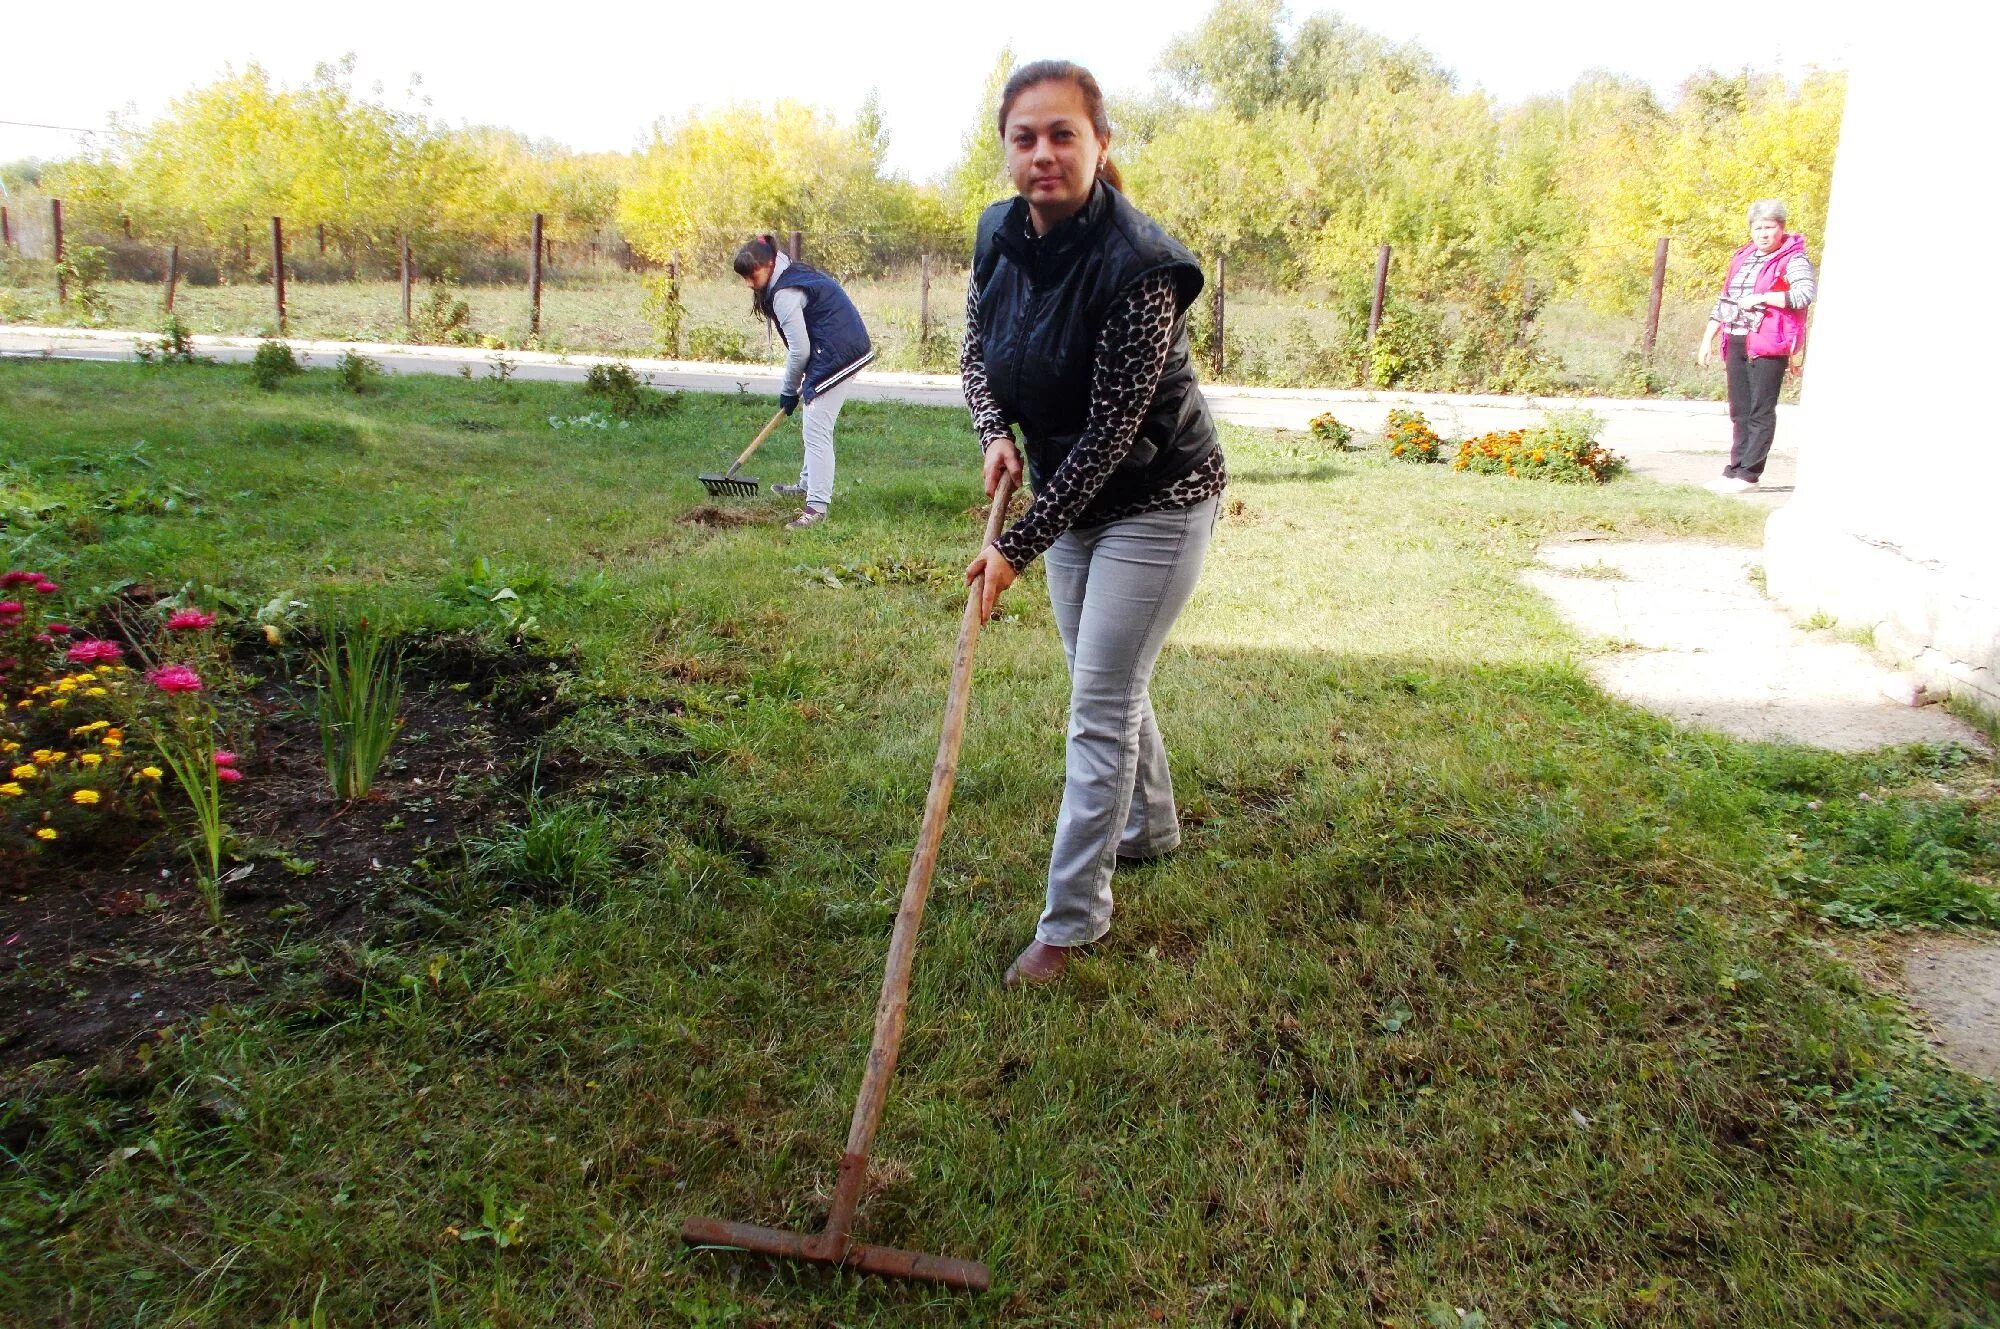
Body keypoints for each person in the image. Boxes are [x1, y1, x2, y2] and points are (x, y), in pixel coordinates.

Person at [959, 60, 1228, 989]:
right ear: (1006, 148)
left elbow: (1112, 440)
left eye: (1063, 134)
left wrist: (1011, 549)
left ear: (1099, 144)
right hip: (1073, 492)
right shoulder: (998, 234)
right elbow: (975, 349)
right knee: (1101, 674)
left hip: (1156, 497)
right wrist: (996, 431)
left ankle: (1069, 928)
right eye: (1026, 136)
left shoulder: (1140, 265)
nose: (1044, 154)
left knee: (1098, 704)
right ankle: (1149, 824)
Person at [732, 235, 875, 529]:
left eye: (752, 275)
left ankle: (816, 508)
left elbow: (800, 350)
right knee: (813, 419)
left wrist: (788, 390)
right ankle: (807, 484)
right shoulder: (787, 273)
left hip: (838, 351)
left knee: (817, 427)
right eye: (744, 277)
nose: (748, 283)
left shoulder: (784, 294)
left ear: (769, 264)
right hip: (833, 346)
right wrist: (802, 384)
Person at [1696, 199, 1817, 494]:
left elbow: (1804, 295)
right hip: (1736, 337)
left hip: (1768, 343)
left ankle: (1749, 475)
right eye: (1758, 228)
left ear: (1781, 228)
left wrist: (1764, 297)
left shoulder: (1794, 259)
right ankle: (1734, 469)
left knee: (1760, 410)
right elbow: (1725, 299)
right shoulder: (1743, 258)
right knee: (1739, 409)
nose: (1763, 234)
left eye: (1770, 227)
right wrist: (1707, 338)